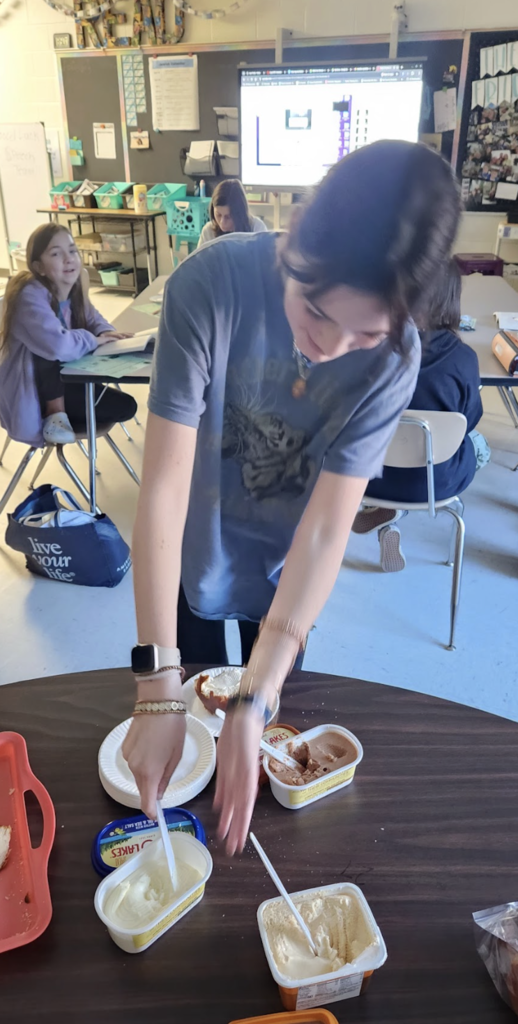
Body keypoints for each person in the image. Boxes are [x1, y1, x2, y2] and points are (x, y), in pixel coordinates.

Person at [123, 140, 462, 856]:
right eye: (315, 311)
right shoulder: (208, 287)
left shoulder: (393, 357)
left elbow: (324, 532)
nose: (334, 348)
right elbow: (163, 488)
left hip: (287, 581)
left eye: (366, 331)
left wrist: (255, 697)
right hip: (196, 552)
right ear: (299, 228)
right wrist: (157, 684)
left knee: (267, 729)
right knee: (189, 690)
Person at [352, 258, 490, 572]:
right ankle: (395, 513)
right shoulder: (463, 358)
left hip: (368, 478)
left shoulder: (369, 348)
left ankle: (387, 512)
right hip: (435, 485)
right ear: (451, 300)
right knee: (477, 444)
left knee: (393, 439)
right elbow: (471, 419)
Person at [0, 223, 137, 448]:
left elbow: (92, 317)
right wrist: (92, 339)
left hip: (68, 376)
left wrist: (106, 332)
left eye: (72, 250)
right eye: (56, 253)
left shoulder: (72, 285)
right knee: (124, 407)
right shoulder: (29, 294)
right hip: (34, 392)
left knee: (126, 406)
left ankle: (64, 412)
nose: (69, 258)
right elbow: (56, 346)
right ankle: (54, 413)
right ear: (38, 267)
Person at [197, 179, 267, 246]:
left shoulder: (257, 229)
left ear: (240, 214)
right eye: (218, 215)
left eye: (228, 217)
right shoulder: (208, 231)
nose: (222, 223)